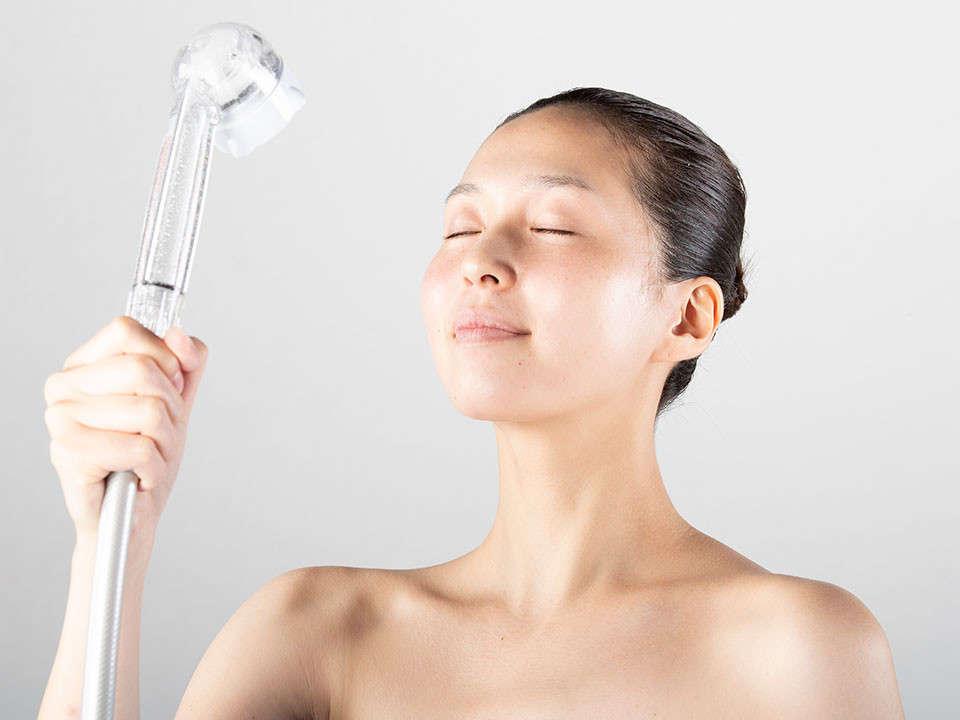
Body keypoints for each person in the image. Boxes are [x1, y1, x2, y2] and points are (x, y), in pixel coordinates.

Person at [38, 87, 905, 719]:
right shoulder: (315, 632)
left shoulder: (796, 648)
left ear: (686, 316)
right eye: (459, 227)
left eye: (553, 225)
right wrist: (112, 547)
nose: (478, 262)